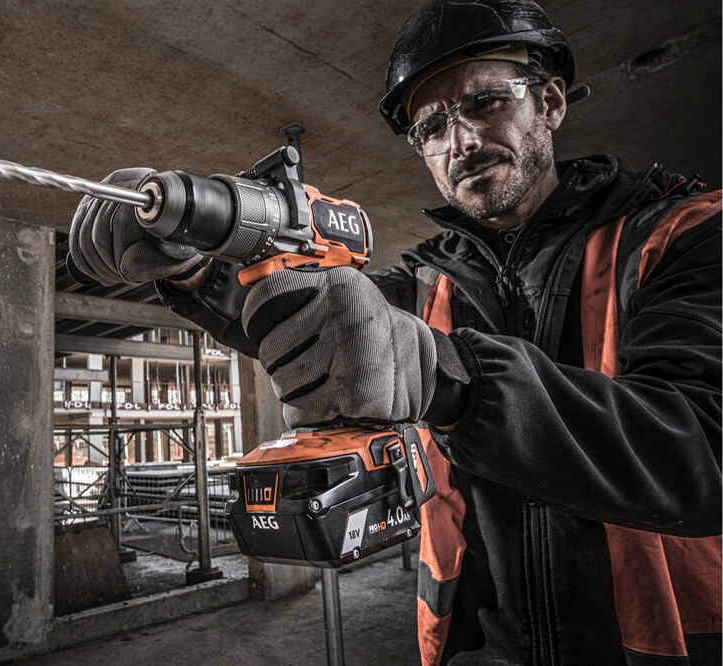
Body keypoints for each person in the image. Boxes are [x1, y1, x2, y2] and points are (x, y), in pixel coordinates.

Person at [68, 0, 722, 663]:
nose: (461, 142)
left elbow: (704, 445)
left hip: (664, 648)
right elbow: (301, 318)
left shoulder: (685, 233)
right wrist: (194, 269)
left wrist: (453, 380)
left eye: (485, 102)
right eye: (431, 127)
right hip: (479, 647)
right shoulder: (426, 281)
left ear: (550, 102)